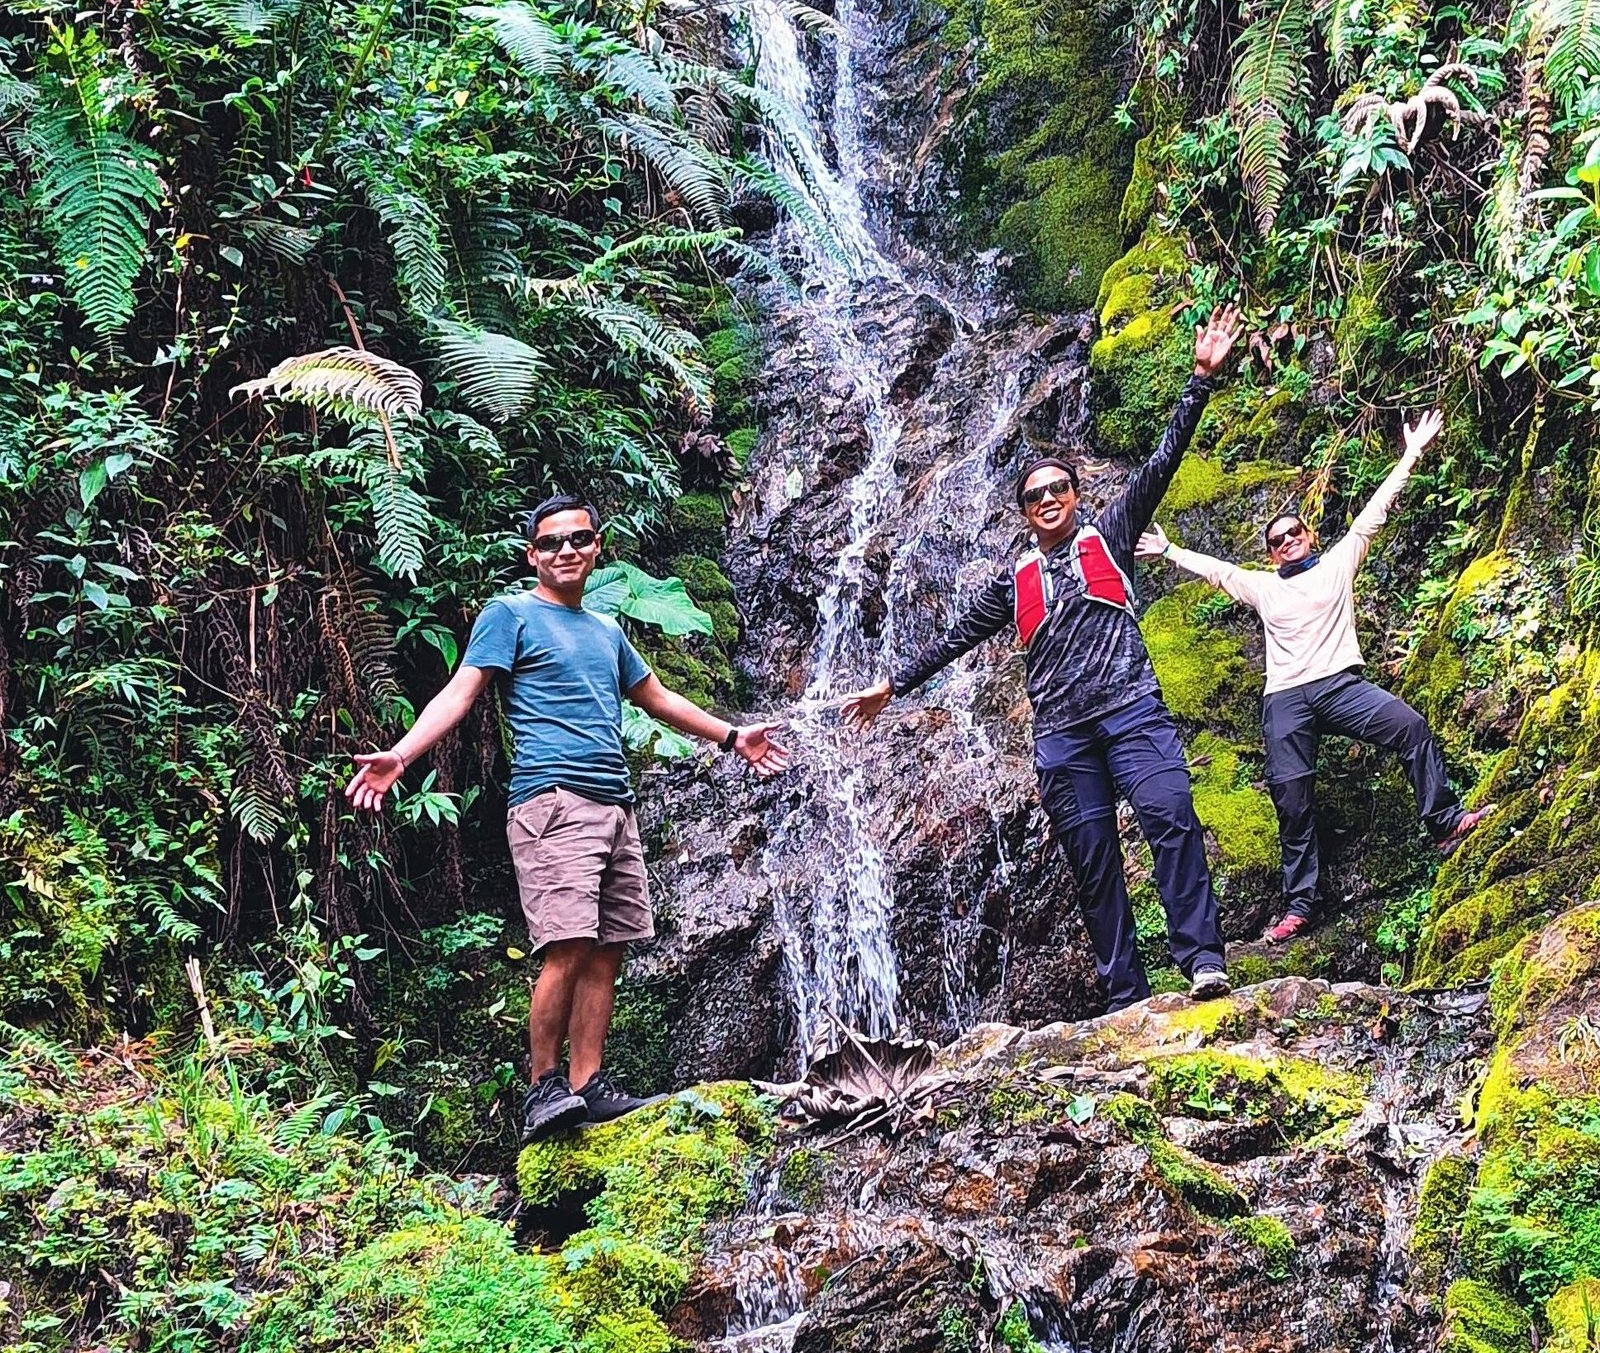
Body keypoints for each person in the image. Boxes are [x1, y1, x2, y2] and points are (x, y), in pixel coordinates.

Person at [841, 306, 1247, 1013]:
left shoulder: (1110, 534)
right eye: (1036, 495)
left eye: (1060, 488)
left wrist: (1199, 381)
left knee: (1171, 816)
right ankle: (1126, 993)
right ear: (1025, 512)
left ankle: (1203, 959)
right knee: (1093, 864)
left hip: (1131, 711)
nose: (1050, 499)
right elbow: (956, 636)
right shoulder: (1014, 580)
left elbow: (1162, 463)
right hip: (1062, 736)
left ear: (1076, 496)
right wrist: (892, 685)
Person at [346, 493, 789, 1141]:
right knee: (568, 943)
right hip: (553, 802)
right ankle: (543, 1088)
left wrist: (732, 736)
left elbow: (658, 698)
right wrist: (402, 754)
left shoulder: (607, 631)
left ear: (596, 546)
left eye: (578, 538)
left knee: (608, 948)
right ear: (532, 555)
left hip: (615, 804)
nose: (566, 550)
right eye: (551, 542)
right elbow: (461, 693)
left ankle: (588, 1083)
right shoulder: (511, 615)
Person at [1136, 408, 1486, 944]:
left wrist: (1412, 453)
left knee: (1412, 727)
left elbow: (1375, 510)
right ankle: (1300, 904)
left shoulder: (1339, 562)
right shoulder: (1263, 586)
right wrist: (1169, 551)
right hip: (1286, 698)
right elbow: (1218, 570)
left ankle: (1444, 822)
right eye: (1277, 540)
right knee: (1291, 797)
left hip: (1340, 684)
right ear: (1270, 553)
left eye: (1293, 532)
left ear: (1309, 534)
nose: (1287, 541)